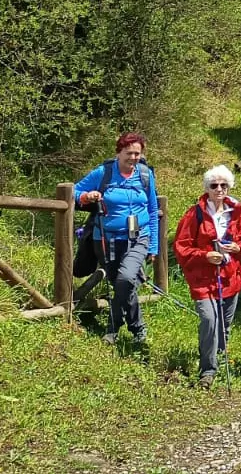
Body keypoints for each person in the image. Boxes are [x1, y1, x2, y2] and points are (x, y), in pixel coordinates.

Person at [74, 132, 160, 346]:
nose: (133, 158)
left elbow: (152, 210)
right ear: (118, 152)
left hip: (139, 237)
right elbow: (75, 191)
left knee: (125, 278)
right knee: (121, 285)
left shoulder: (145, 175)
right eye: (129, 153)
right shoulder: (103, 173)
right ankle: (137, 328)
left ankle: (113, 327)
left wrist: (154, 246)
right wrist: (86, 197)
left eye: (137, 154)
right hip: (105, 239)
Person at [173, 165, 241, 386]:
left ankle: (218, 356)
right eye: (214, 185)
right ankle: (207, 370)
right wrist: (205, 255)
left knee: (223, 325)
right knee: (209, 319)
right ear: (206, 188)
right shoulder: (194, 214)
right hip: (203, 279)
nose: (219, 189)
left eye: (223, 185)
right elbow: (181, 247)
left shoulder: (236, 210)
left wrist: (239, 247)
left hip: (231, 276)